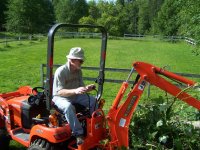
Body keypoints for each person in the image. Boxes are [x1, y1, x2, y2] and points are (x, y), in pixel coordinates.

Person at [52, 47, 97, 145]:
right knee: (68, 107)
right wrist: (76, 91)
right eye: (80, 61)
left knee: (94, 101)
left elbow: (80, 87)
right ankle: (78, 133)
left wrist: (87, 88)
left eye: (82, 61)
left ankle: (93, 125)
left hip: (75, 95)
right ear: (72, 60)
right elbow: (59, 92)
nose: (82, 63)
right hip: (60, 97)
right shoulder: (61, 71)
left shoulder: (78, 71)